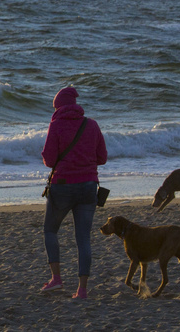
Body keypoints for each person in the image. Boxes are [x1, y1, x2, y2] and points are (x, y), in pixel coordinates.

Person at [39, 86, 107, 299]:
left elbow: (49, 160)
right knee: (83, 239)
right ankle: (82, 290)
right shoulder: (92, 125)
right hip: (88, 186)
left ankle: (56, 279)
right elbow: (102, 158)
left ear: (59, 106)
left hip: (63, 186)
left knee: (50, 230)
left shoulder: (56, 125)